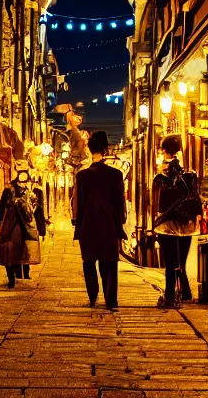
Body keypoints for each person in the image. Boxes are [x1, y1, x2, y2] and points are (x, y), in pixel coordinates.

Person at [74, 131, 127, 311]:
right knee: (110, 263)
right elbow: (119, 204)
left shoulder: (82, 176)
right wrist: (120, 226)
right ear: (106, 150)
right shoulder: (115, 175)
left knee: (89, 262)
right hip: (109, 225)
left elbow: (79, 206)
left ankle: (92, 297)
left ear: (89, 150)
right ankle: (111, 300)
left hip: (87, 226)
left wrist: (78, 227)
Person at [152, 135, 202, 308]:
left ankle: (170, 296)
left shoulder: (161, 176)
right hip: (188, 225)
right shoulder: (190, 175)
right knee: (181, 261)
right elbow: (196, 199)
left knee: (170, 262)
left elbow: (159, 204)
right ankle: (185, 292)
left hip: (168, 224)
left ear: (165, 151)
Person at [0, 171, 44, 288]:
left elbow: (36, 211)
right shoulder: (19, 192)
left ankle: (19, 277)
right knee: (16, 250)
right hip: (15, 227)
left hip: (17, 227)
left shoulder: (29, 193)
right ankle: (18, 277)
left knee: (17, 250)